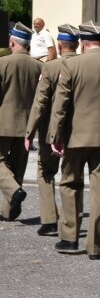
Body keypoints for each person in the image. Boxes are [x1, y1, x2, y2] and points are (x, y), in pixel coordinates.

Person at [48, 21, 100, 259]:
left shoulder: (71, 64)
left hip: (76, 137)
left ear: (83, 43)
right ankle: (95, 246)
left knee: (69, 184)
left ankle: (69, 238)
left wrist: (56, 135)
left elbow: (61, 105)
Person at [24, 23, 80, 235]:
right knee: (73, 177)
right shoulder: (84, 64)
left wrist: (30, 132)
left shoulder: (51, 66)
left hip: (50, 130)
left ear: (59, 44)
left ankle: (49, 220)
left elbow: (40, 101)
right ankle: (71, 222)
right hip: (78, 130)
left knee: (46, 172)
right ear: (78, 44)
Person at [0, 23, 42, 221]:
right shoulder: (39, 66)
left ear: (12, 42)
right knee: (18, 166)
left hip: (3, 122)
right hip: (28, 124)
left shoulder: (3, 63)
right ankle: (8, 211)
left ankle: (14, 192)